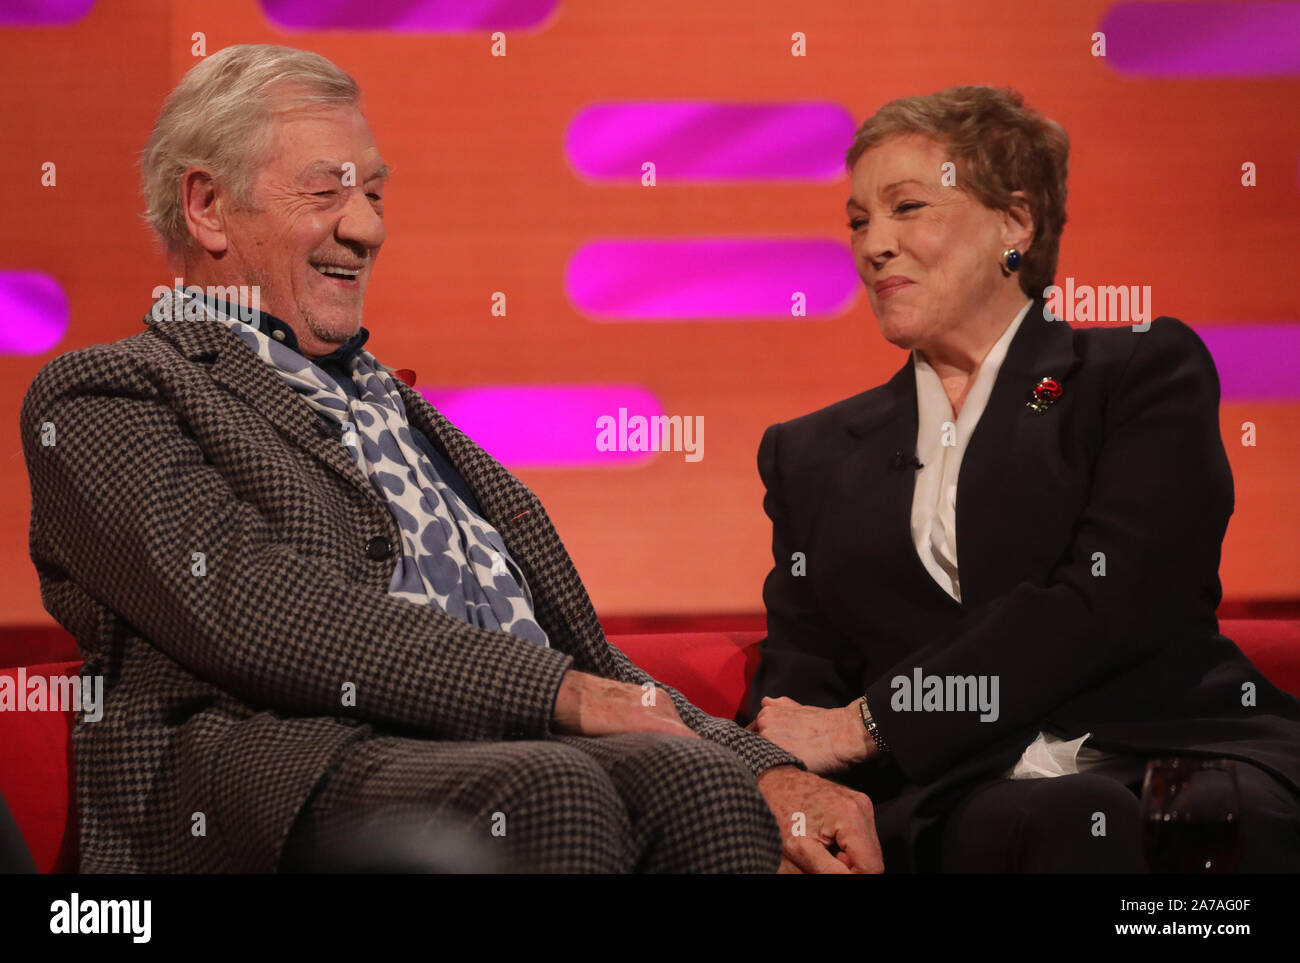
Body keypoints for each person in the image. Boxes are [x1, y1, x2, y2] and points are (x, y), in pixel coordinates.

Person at [19, 44, 880, 874]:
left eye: (376, 194)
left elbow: (579, 655)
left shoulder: (406, 412)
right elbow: (260, 607)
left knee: (699, 788)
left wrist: (759, 767)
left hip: (499, 750)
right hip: (280, 776)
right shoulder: (110, 396)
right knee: (553, 789)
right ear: (206, 206)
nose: (364, 229)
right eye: (326, 191)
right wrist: (559, 696)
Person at [745, 85, 1300, 873]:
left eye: (907, 207)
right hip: (963, 794)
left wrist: (872, 722)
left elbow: (1112, 600)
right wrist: (780, 777)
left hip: (1171, 750)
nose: (874, 246)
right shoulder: (812, 453)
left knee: (1110, 820)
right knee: (1047, 822)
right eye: (859, 220)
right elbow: (799, 674)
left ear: (1016, 223)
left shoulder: (1139, 374)